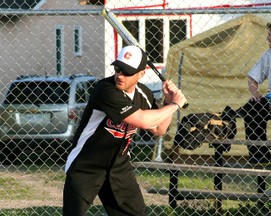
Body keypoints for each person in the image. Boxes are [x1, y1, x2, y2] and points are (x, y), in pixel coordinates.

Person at [62, 45, 187, 216]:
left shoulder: (143, 94)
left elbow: (159, 129)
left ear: (141, 74)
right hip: (87, 164)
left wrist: (167, 101)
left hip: (119, 166)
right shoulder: (105, 89)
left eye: (127, 72)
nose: (120, 75)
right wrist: (175, 105)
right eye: (118, 69)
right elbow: (142, 120)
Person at [238, 19, 271, 166]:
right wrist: (255, 93)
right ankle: (260, 154)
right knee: (251, 108)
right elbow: (252, 77)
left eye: (269, 35)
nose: (267, 38)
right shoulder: (270, 54)